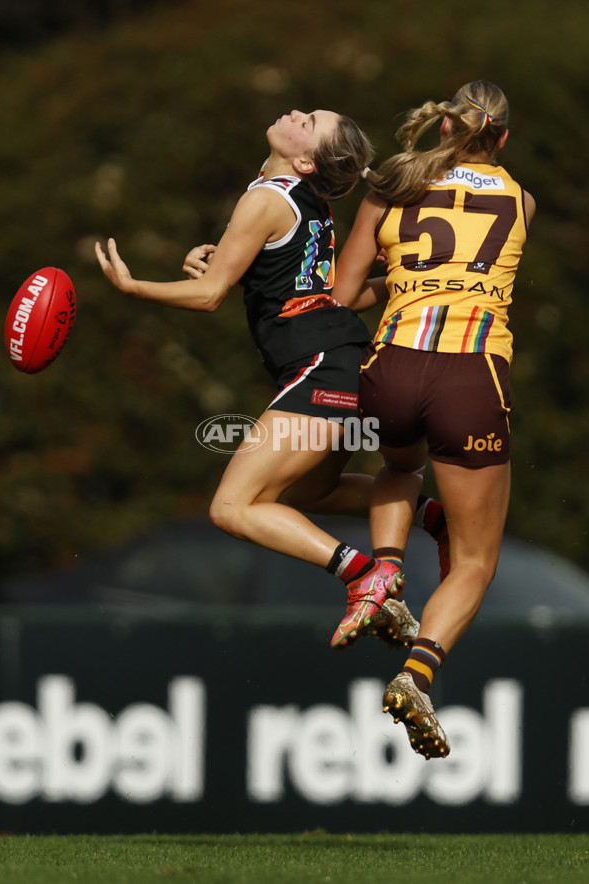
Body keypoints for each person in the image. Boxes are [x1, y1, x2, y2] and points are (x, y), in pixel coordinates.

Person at [95, 107, 435, 648]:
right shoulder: (294, 197)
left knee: (231, 508)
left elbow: (209, 297)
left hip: (322, 367)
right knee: (308, 494)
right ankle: (428, 512)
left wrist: (137, 287)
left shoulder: (267, 198)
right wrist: (219, 260)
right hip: (344, 364)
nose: (296, 112)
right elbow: (288, 279)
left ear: (304, 160)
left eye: (309, 121)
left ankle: (363, 575)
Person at [333, 80, 535, 758]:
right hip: (471, 377)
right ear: (500, 137)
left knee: (396, 464)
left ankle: (385, 571)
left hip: (390, 365)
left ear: (445, 127)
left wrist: (401, 284)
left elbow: (342, 295)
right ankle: (417, 674)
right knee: (475, 560)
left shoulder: (391, 184)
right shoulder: (522, 201)